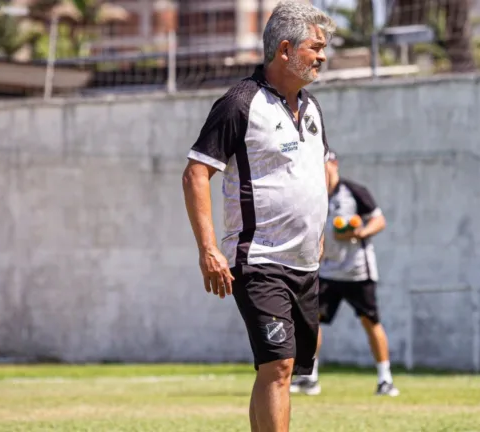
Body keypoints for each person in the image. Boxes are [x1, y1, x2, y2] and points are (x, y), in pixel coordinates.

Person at [181, 2, 336, 431]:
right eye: (315, 47)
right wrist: (208, 249)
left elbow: (314, 173)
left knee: (283, 368)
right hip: (259, 259)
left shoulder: (312, 108)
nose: (323, 56)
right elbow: (196, 173)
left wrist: (318, 232)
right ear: (285, 50)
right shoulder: (240, 103)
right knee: (278, 365)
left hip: (304, 262)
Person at [289, 150, 400, 397]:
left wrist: (359, 232)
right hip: (327, 271)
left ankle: (385, 379)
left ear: (334, 164)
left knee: (370, 321)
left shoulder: (354, 191)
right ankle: (309, 377)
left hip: (357, 271)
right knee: (312, 321)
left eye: (325, 164)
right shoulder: (314, 194)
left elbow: (379, 221)